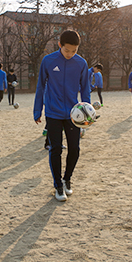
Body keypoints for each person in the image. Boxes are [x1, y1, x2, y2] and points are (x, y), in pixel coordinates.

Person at [34, 30, 90, 202]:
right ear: (60, 45)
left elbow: (85, 89)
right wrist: (38, 110)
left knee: (75, 149)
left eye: (74, 51)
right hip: (53, 112)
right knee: (55, 149)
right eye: (67, 50)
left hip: (73, 114)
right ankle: (58, 184)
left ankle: (67, 179)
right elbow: (41, 86)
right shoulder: (48, 61)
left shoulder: (81, 63)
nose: (70, 54)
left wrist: (86, 113)